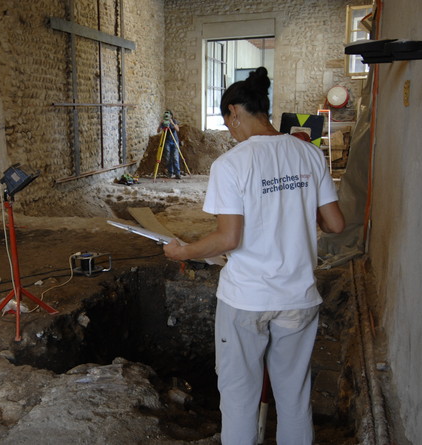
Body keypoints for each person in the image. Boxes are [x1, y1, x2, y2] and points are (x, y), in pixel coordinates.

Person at [163, 67, 344, 445]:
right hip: (297, 297)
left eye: (228, 121)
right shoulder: (308, 154)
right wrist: (294, 214)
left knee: (240, 398)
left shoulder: (231, 164)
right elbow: (336, 224)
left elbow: (228, 239)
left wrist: (184, 251)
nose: (230, 130)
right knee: (294, 396)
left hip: (246, 300)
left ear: (234, 111)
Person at [157, 110, 181, 179]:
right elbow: (158, 131)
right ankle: (170, 173)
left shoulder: (174, 121)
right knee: (168, 157)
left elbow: (177, 129)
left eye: (168, 115)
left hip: (174, 140)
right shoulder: (163, 122)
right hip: (167, 141)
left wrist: (172, 123)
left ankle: (177, 173)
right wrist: (160, 124)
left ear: (171, 115)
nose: (167, 116)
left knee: (175, 157)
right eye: (166, 115)